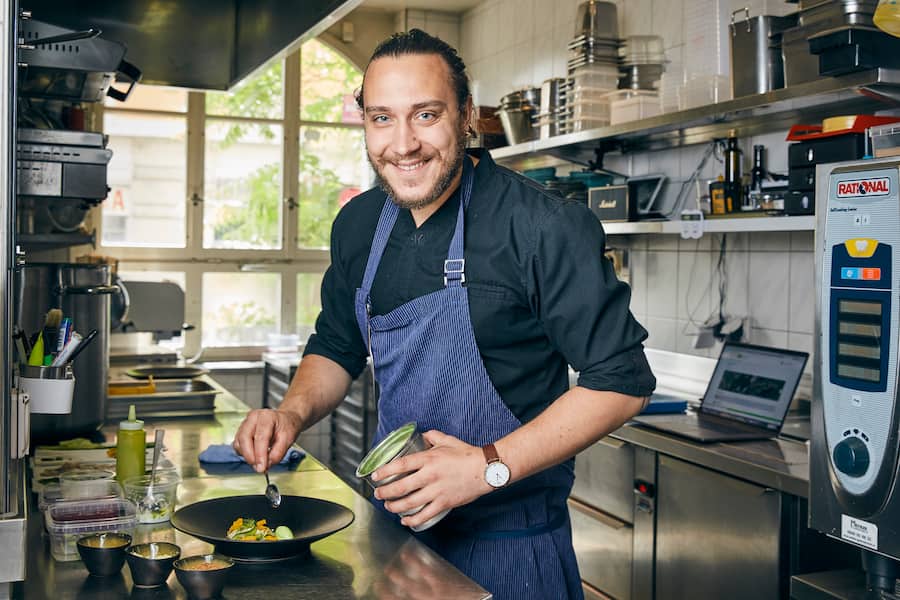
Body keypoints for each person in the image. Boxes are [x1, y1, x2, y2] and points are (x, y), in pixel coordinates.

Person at [233, 28, 656, 600]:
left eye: (426, 115)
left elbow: (622, 382)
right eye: (382, 118)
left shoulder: (541, 226)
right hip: (395, 546)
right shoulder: (358, 225)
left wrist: (485, 467)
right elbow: (336, 345)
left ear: (467, 117)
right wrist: (290, 414)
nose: (403, 144)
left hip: (513, 553)